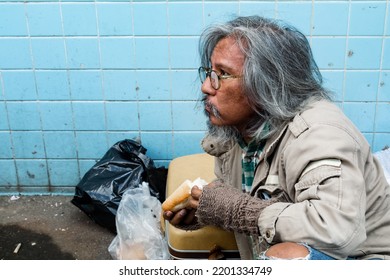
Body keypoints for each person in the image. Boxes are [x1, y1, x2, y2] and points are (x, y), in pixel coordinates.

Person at [163, 15, 390, 260]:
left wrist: (239, 211)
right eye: (209, 71)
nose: (207, 86)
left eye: (223, 74)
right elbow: (248, 203)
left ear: (267, 83)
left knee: (287, 256)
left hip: (364, 260)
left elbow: (337, 231)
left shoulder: (320, 135)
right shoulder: (236, 133)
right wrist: (205, 211)